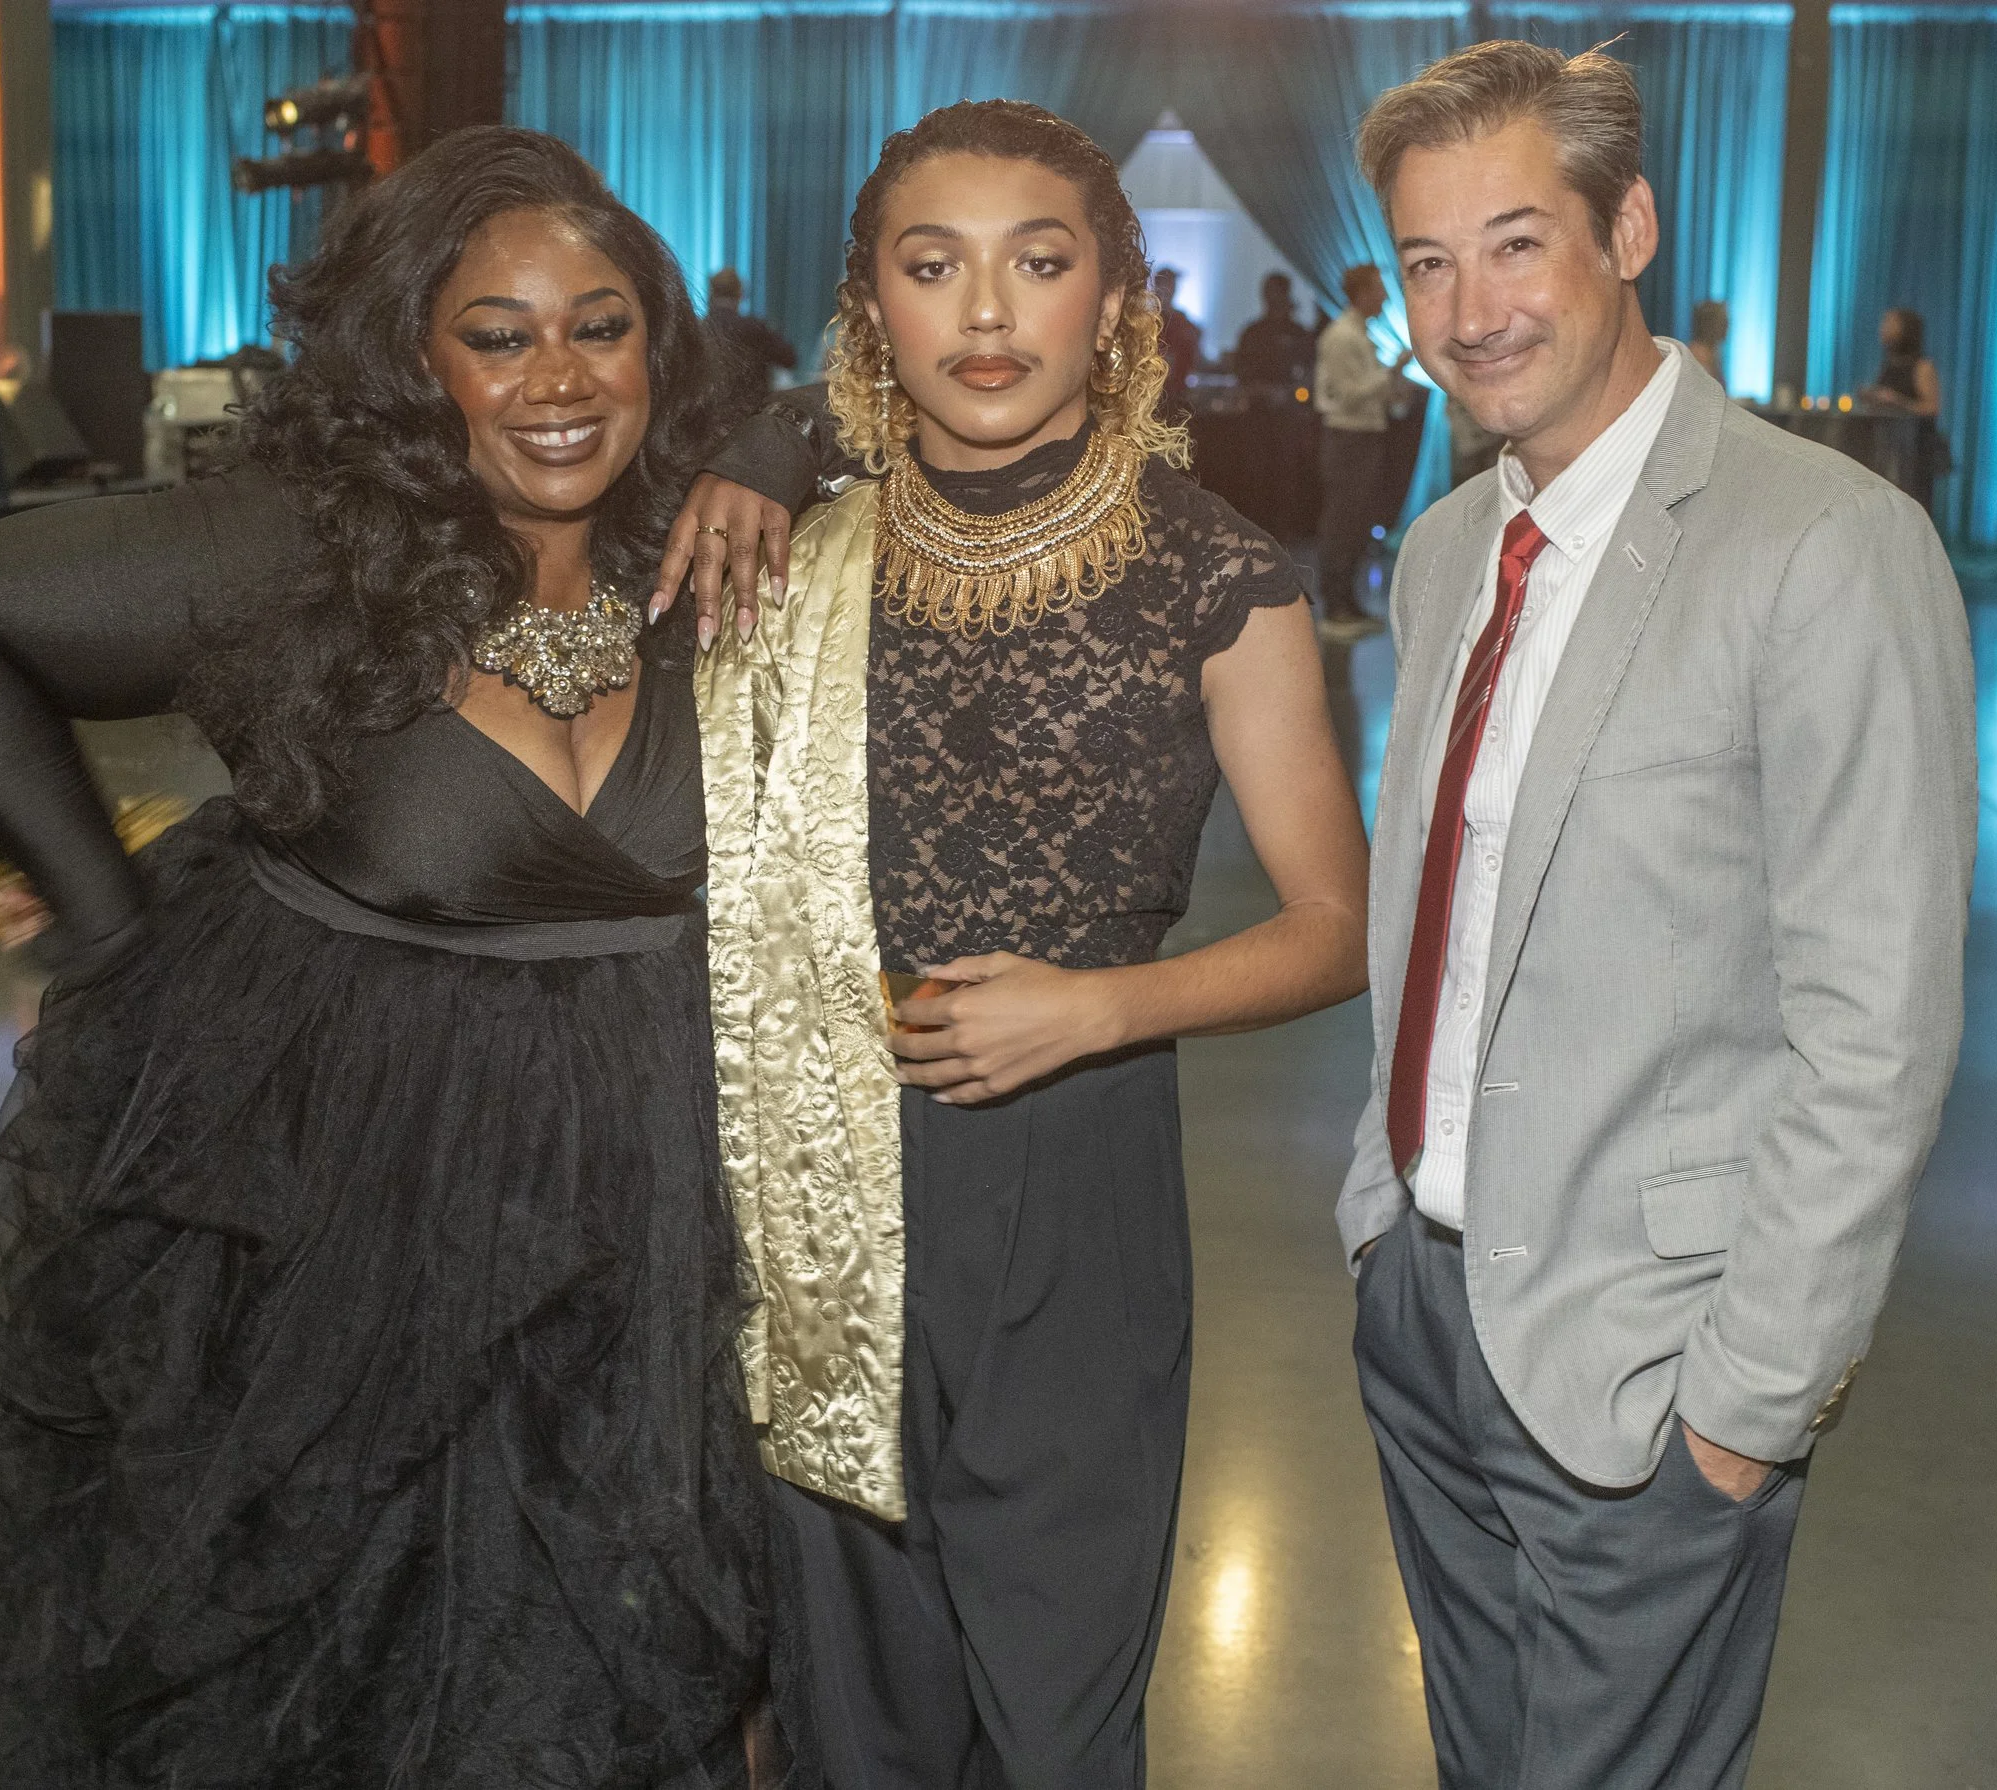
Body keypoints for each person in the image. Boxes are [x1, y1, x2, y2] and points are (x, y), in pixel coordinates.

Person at [0, 129, 808, 1790]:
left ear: (660, 347)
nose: (558, 379)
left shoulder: (705, 552)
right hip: (359, 1231)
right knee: (340, 1675)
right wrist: (108, 922)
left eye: (600, 327)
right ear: (413, 358)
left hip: (650, 1224)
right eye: (498, 336)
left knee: (616, 1666)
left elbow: (941, 390)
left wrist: (782, 442)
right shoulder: (304, 552)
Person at [658, 100, 1370, 1788]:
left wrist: (1102, 1010)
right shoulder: (776, 561)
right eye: (933, 268)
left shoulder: (1218, 575)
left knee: (1056, 1716)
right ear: (871, 308)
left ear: (1113, 299)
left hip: (1073, 1188)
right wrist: (766, 443)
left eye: (1037, 264)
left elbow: (1343, 927)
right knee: (853, 1714)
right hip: (804, 1181)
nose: (985, 314)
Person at [1344, 41, 1974, 1789]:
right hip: (1426, 1313)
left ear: (1626, 230)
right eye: (1427, 263)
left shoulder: (1823, 546)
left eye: (1516, 244)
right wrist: (1382, 1234)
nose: (1469, 313)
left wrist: (1745, 1405)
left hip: (1651, 1367)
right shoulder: (1450, 550)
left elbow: (1878, 1028)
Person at [1313, 261, 1413, 638]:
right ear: (1363, 293)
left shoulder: (1359, 334)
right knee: (1343, 521)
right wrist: (1392, 371)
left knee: (1356, 522)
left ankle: (1348, 604)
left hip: (1362, 438)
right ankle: (1334, 607)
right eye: (1379, 289)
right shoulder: (1342, 336)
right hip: (1347, 439)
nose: (1385, 297)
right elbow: (1349, 394)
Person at [705, 266, 799, 411]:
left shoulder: (699, 329)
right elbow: (789, 358)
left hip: (709, 413)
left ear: (710, 293)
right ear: (740, 294)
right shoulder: (754, 328)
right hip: (750, 413)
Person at [1233, 270, 1315, 391]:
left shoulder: (1298, 334)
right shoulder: (1252, 333)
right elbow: (1241, 367)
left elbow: (1307, 367)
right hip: (1257, 397)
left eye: (1275, 291)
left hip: (1290, 396)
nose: (1271, 297)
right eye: (1269, 291)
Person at [1862, 306, 1942, 418]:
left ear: (1906, 330)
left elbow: (1932, 409)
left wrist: (1898, 402)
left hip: (1914, 428)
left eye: (1890, 324)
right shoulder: (1889, 365)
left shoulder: (1922, 366)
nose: (1883, 329)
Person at [1152, 264, 1204, 412]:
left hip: (1178, 393)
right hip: (1152, 393)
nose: (1171, 288)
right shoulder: (1147, 320)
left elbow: (1194, 356)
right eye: (1167, 283)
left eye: (1172, 284)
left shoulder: (1182, 321)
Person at [1687, 296, 1728, 384]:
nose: (1727, 327)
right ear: (1709, 324)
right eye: (1723, 322)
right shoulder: (1697, 356)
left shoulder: (1714, 352)